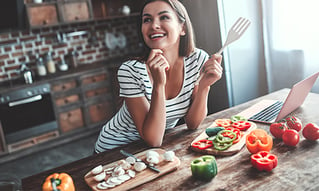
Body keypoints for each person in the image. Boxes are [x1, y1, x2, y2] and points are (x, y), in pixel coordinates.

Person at [94, 0, 223, 153]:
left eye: (164, 17)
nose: (154, 25)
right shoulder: (130, 71)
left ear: (182, 28)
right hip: (115, 149)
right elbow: (153, 139)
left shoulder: (197, 59)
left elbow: (193, 123)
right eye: (147, 19)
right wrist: (159, 85)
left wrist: (204, 87)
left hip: (155, 148)